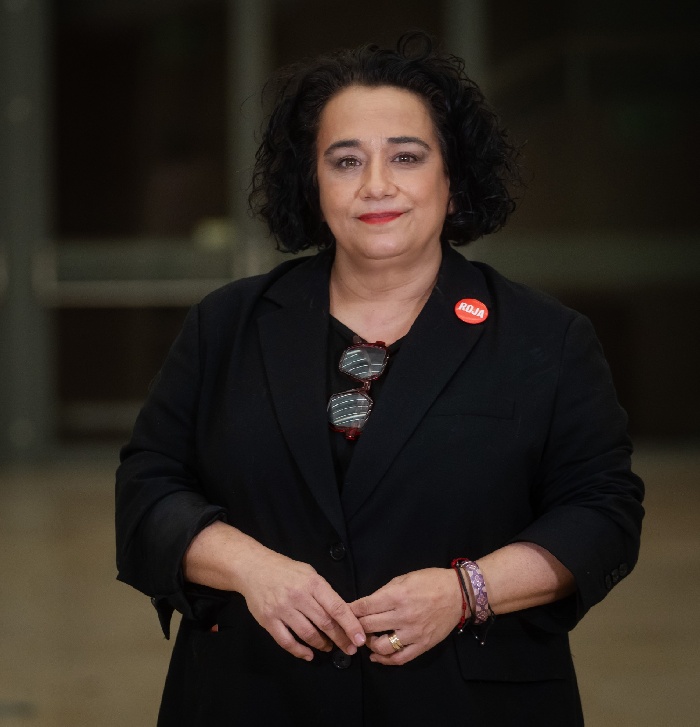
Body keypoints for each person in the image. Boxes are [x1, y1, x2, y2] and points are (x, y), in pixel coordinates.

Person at [115, 32, 644, 726]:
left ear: (452, 178)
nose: (376, 185)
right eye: (345, 160)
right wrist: (251, 569)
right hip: (252, 695)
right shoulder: (226, 324)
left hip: (466, 703)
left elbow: (603, 513)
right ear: (313, 183)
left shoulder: (546, 338)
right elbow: (148, 487)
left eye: (406, 156)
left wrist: (467, 591)